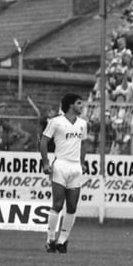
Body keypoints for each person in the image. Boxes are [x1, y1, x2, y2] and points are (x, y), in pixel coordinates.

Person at [40, 93, 88, 253]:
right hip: (60, 165)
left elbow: (84, 144)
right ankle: (50, 239)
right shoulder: (55, 122)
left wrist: (82, 162)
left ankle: (63, 240)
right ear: (70, 105)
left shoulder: (82, 123)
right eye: (79, 103)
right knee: (58, 204)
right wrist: (46, 162)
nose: (82, 106)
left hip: (75, 168)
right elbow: (43, 141)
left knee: (72, 207)